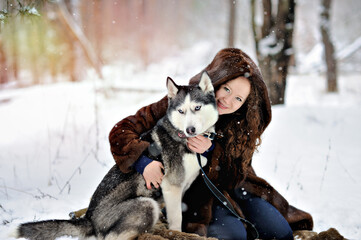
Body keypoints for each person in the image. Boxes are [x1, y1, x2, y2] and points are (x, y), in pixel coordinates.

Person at [109, 48, 313, 240]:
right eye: (226, 88)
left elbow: (237, 173)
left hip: (233, 186)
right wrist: (143, 163)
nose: (228, 100)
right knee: (233, 236)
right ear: (217, 80)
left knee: (280, 231)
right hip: (192, 194)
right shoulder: (182, 99)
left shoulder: (240, 124)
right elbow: (122, 131)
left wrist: (212, 150)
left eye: (238, 98)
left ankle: (246, 220)